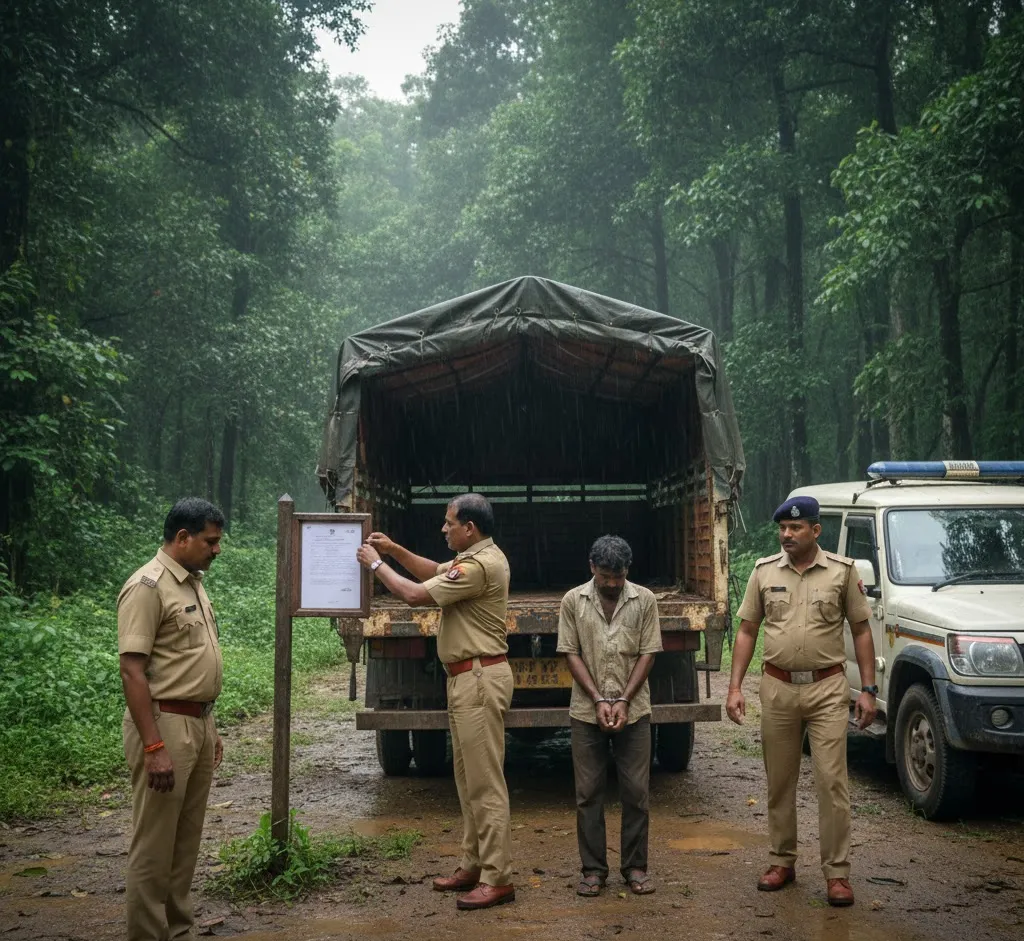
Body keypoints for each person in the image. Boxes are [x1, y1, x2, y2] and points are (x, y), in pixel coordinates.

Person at [356, 493, 514, 911]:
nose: (443, 530)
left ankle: (498, 877)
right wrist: (393, 550)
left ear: (470, 529)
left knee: (485, 785)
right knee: (467, 782)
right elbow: (431, 573)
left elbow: (413, 595)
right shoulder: (474, 557)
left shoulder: (480, 566)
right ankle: (473, 864)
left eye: (449, 524)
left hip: (479, 680)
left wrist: (375, 564)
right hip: (467, 679)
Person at [728, 495, 878, 907]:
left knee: (832, 782)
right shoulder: (763, 572)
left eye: (795, 528)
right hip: (777, 689)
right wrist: (735, 687)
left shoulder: (842, 573)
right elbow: (747, 631)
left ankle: (837, 874)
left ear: (816, 530)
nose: (787, 534)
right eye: (782, 529)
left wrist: (868, 690)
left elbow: (861, 630)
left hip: (827, 690)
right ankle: (781, 861)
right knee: (779, 781)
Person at [118, 498, 226, 941]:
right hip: (164, 726)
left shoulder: (193, 583)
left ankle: (178, 930)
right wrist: (153, 746)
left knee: (185, 841)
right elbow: (132, 670)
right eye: (210, 541)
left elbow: (192, 666)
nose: (216, 550)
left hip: (196, 724)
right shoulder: (148, 586)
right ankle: (147, 934)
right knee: (155, 843)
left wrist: (210, 727)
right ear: (182, 538)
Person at [555, 535, 662, 897]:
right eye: (606, 577)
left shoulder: (644, 599)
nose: (613, 584)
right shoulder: (573, 601)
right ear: (592, 569)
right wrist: (599, 698)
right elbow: (570, 653)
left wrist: (625, 699)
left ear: (627, 571)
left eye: (618, 577)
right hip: (586, 711)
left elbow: (648, 653)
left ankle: (635, 867)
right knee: (588, 793)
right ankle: (593, 870)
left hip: (636, 710)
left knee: (636, 792)